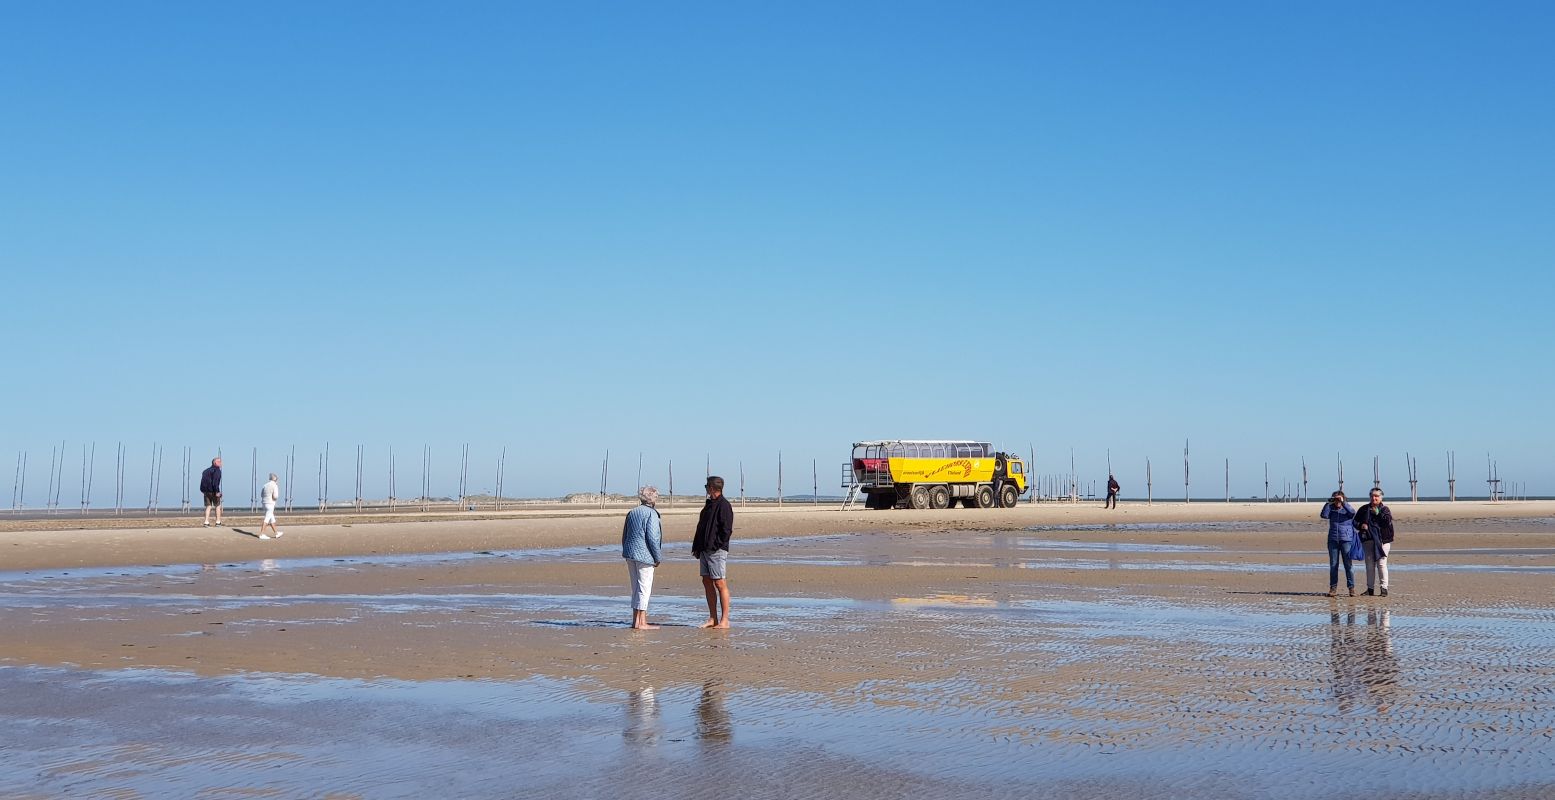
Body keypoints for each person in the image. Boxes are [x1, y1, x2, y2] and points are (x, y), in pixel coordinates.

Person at [692, 475, 734, 629]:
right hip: (704, 549)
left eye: (707, 487)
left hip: (716, 550)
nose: (706, 490)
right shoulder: (709, 504)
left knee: (720, 582)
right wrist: (698, 547)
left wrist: (716, 545)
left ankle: (725, 620)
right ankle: (713, 618)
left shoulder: (724, 505)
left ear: (712, 488)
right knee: (707, 581)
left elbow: (726, 530)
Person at [621, 486, 663, 630]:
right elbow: (653, 538)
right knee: (644, 588)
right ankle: (641, 622)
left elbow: (624, 535)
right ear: (653, 499)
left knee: (636, 588)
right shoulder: (651, 514)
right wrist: (657, 557)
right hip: (645, 556)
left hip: (630, 554)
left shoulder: (632, 512)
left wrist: (626, 550)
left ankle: (636, 621)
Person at [1355, 487, 1395, 596]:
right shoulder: (1364, 509)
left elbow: (1387, 521)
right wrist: (1360, 525)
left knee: (1382, 564)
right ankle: (1370, 589)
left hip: (1383, 541)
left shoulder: (1385, 510)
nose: (1374, 498)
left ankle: (1384, 588)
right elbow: (1355, 521)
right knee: (1369, 565)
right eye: (1372, 496)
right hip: (1368, 540)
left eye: (1376, 496)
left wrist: (1377, 513)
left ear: (1381, 498)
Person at [1320, 490, 1358, 597]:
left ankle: (1351, 588)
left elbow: (1352, 513)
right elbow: (1324, 515)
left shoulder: (1347, 508)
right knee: (1333, 565)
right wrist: (1329, 503)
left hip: (1346, 539)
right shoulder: (1331, 509)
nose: (1337, 501)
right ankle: (1333, 588)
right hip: (1333, 540)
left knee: (1348, 565)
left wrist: (1343, 503)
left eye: (1338, 499)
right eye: (1335, 499)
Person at [257, 472, 284, 540]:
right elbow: (275, 496)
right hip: (270, 504)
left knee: (271, 518)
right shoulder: (274, 485)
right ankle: (261, 534)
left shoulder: (265, 485)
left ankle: (276, 533)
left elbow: (261, 495)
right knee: (267, 518)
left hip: (264, 503)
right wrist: (273, 498)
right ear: (275, 479)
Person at [200, 457, 223, 527]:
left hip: (206, 491)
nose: (221, 463)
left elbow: (202, 482)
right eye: (219, 462)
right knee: (217, 505)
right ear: (215, 463)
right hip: (213, 491)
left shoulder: (205, 471)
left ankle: (206, 522)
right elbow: (215, 482)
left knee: (208, 506)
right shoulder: (217, 470)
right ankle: (218, 522)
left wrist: (202, 490)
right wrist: (217, 492)